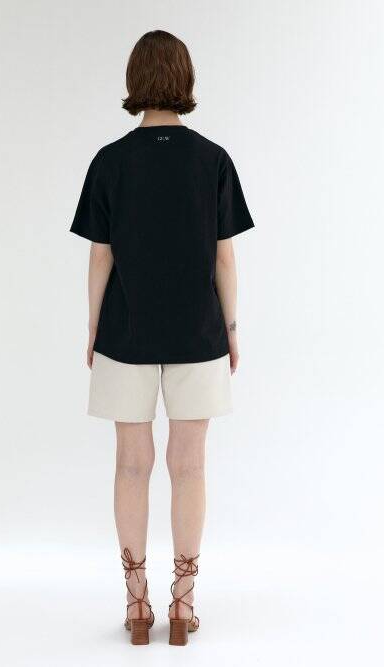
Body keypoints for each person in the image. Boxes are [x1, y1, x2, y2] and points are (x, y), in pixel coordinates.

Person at [70, 30, 254, 646]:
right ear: (185, 79)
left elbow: (101, 256)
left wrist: (93, 326)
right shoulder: (213, 160)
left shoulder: (110, 161)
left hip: (125, 332)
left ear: (134, 80)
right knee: (189, 466)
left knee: (130, 465)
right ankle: (183, 603)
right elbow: (224, 257)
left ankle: (136, 602)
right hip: (198, 332)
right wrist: (231, 329)